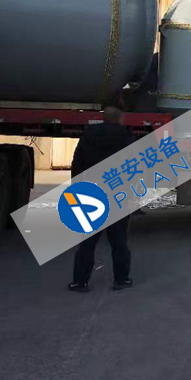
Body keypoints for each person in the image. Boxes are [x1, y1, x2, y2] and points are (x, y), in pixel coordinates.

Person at [67, 104, 136, 293]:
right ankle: (121, 280)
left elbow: (77, 164)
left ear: (104, 118)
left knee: (87, 243)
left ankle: (80, 282)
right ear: (120, 119)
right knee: (119, 241)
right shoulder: (127, 137)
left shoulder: (87, 136)